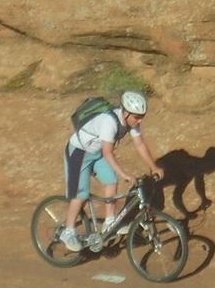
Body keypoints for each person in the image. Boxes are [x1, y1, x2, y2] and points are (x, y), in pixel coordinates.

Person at [60, 91, 164, 251]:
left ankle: (109, 221)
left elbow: (140, 145)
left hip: (96, 152)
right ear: (126, 112)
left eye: (142, 116)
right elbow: (108, 153)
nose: (140, 120)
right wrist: (125, 175)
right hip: (79, 152)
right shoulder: (109, 122)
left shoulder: (132, 122)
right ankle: (68, 231)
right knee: (80, 195)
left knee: (111, 181)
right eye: (137, 117)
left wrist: (154, 167)